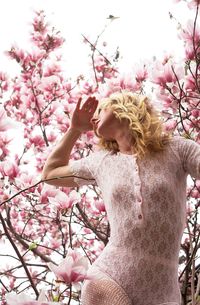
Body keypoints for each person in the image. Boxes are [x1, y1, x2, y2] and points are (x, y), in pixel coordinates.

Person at [42, 91, 200, 305]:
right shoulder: (101, 162)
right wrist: (75, 130)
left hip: (164, 291)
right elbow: (51, 174)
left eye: (101, 110)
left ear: (122, 108)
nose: (93, 117)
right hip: (110, 278)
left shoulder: (177, 149)